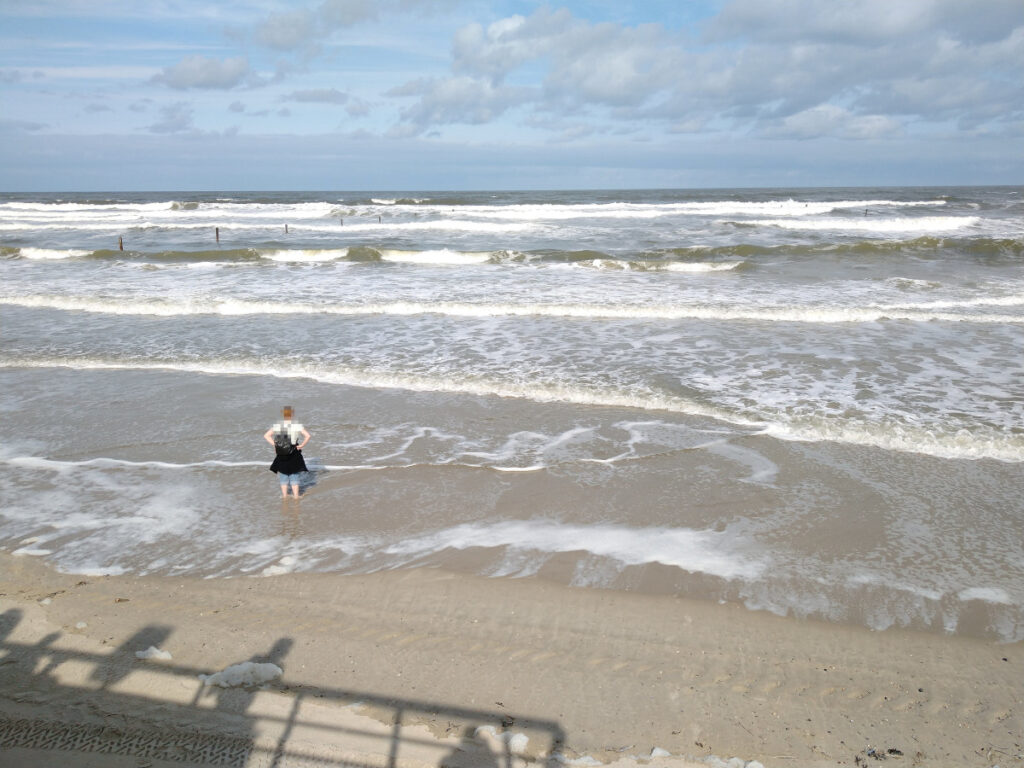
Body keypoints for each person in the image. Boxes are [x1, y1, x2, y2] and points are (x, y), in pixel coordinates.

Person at [265, 406, 311, 499]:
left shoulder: (277, 425)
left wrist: (275, 445)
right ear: (292, 414)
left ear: (283, 415)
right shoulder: (296, 425)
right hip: (293, 451)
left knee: (283, 474)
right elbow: (308, 436)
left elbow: (266, 435)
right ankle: (296, 496)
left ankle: (285, 496)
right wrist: (302, 445)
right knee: (294, 474)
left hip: (281, 452)